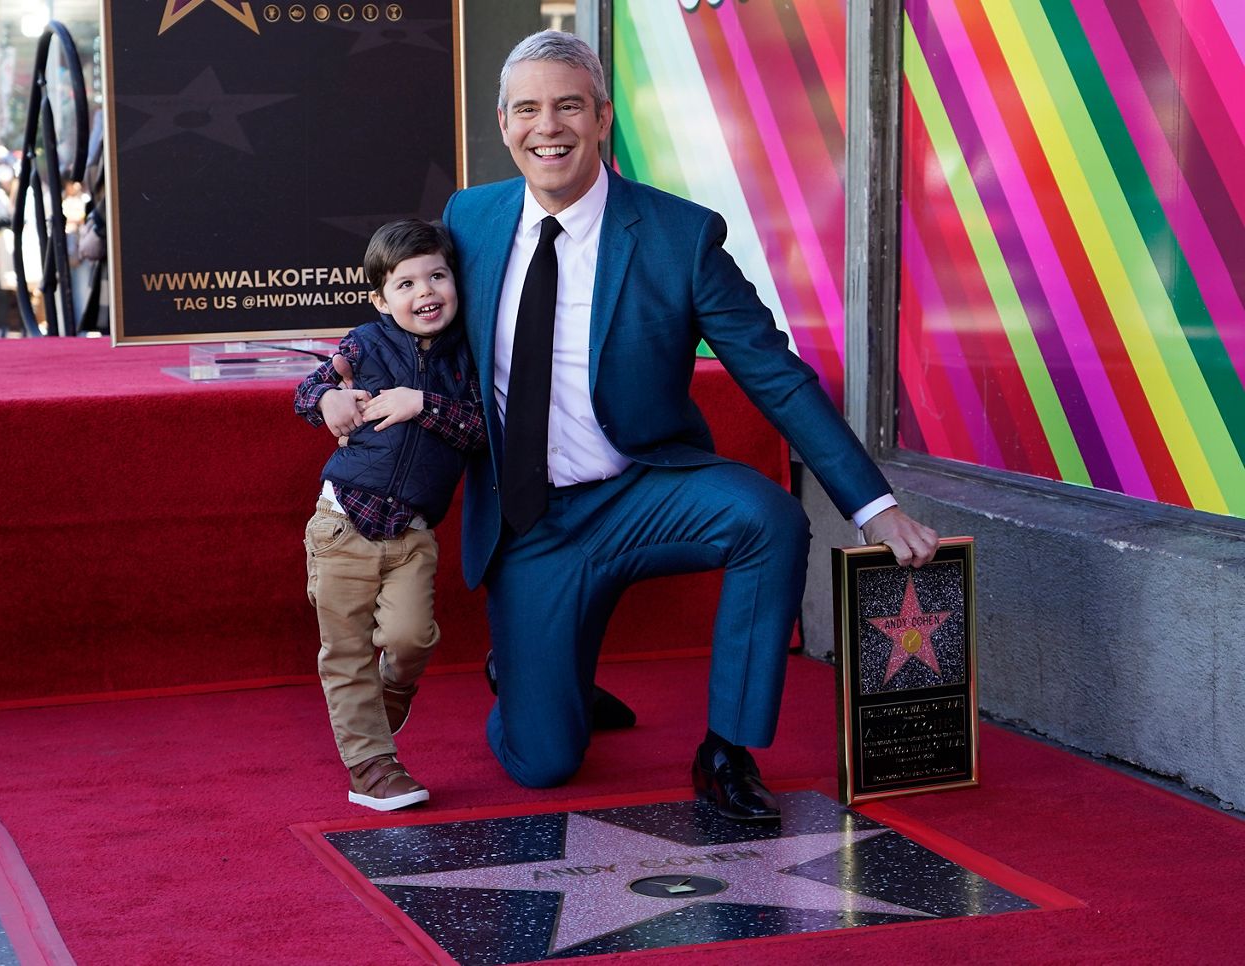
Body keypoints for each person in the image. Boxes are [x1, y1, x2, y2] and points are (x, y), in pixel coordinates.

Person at [442, 31, 939, 822]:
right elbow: (418, 333)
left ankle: (726, 750)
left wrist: (873, 506)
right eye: (529, 109)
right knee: (543, 763)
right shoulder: (469, 219)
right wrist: (344, 385)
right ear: (502, 124)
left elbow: (772, 372)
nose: (549, 127)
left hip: (642, 489)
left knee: (768, 517)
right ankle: (534, 669)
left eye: (569, 105)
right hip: (529, 522)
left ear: (603, 117)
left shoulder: (678, 234)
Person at [294, 219, 485, 811]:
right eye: (404, 284)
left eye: (436, 276)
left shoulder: (468, 357)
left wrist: (420, 403)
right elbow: (307, 391)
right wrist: (329, 400)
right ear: (380, 299)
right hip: (342, 525)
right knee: (346, 653)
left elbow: (483, 432)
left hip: (411, 533)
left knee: (411, 636)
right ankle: (372, 769)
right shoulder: (364, 345)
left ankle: (394, 688)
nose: (425, 292)